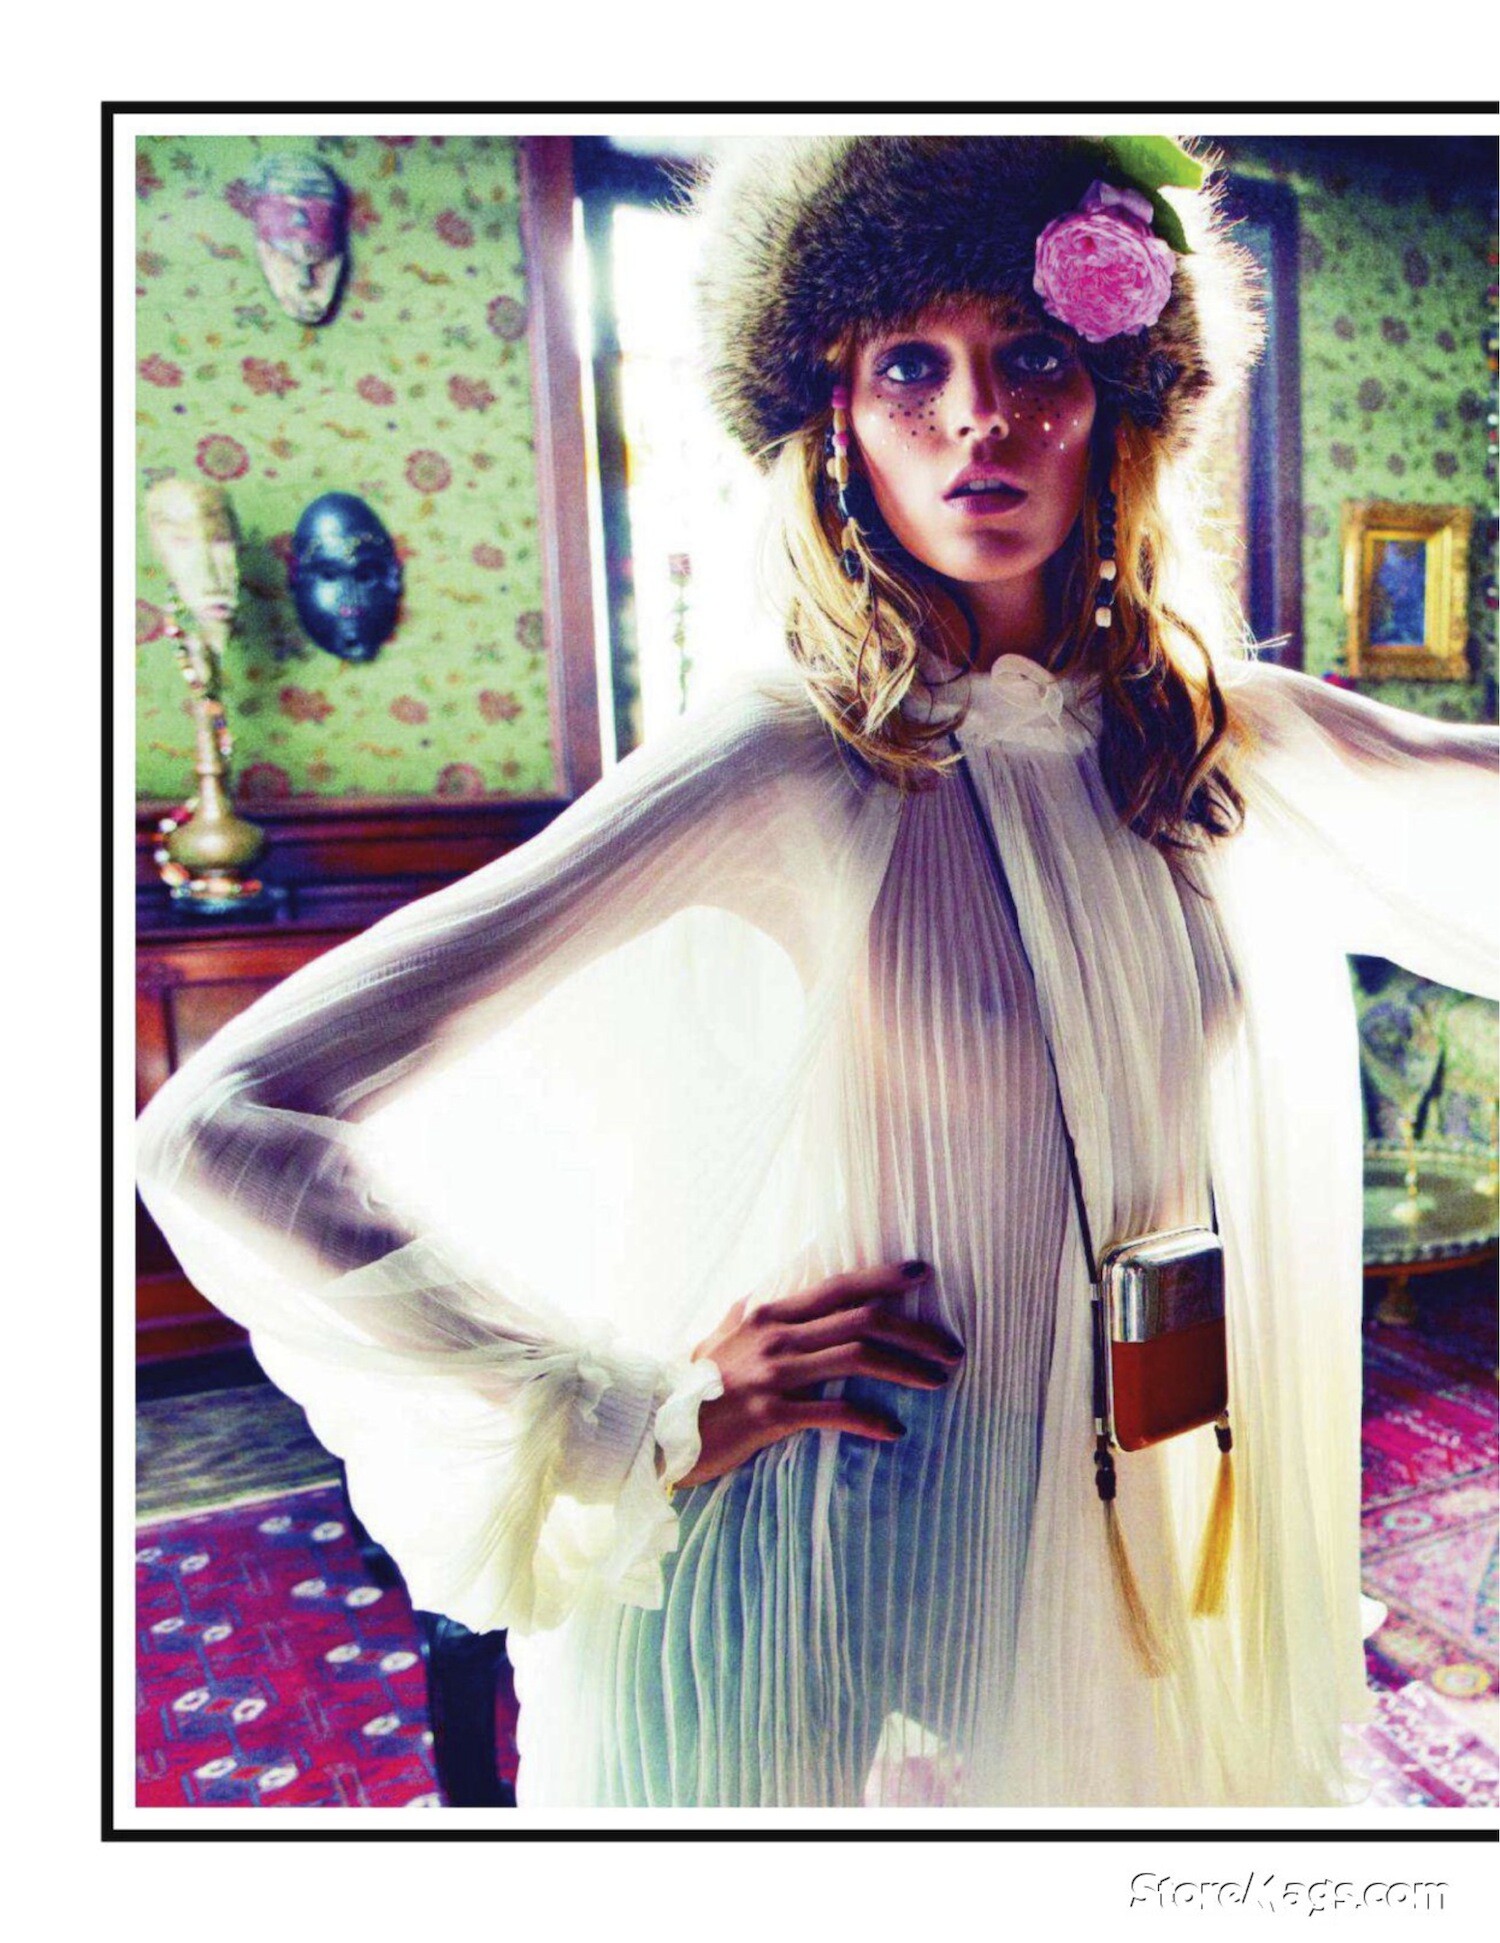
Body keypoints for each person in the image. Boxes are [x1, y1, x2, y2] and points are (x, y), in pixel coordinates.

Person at [136, 135, 1499, 1809]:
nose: (978, 420)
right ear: (833, 419)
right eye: (909, 366)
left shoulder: (1203, 734)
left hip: (1112, 1502)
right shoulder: (787, 757)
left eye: (1035, 358)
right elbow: (221, 1122)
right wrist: (633, 1407)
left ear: (1118, 407)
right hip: (813, 1542)